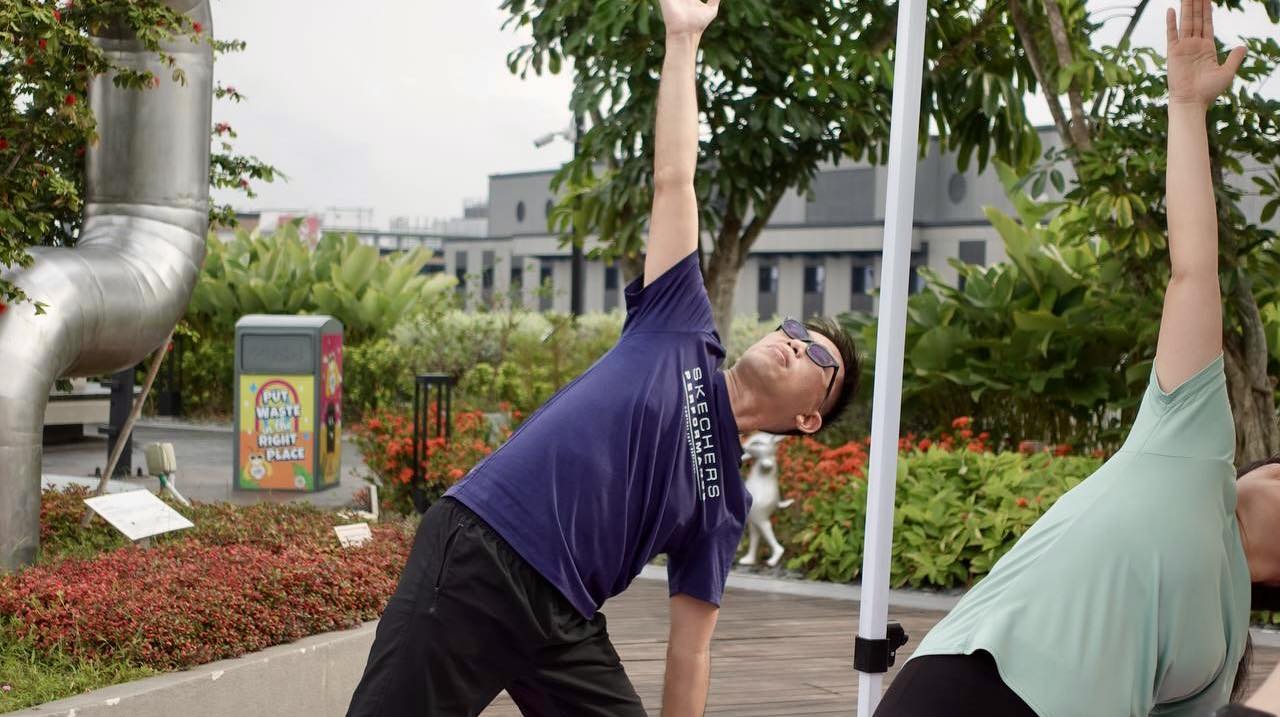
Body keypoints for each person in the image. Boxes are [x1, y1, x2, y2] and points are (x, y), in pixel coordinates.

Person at [345, 1, 861, 714]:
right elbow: (674, 180)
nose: (792, 339)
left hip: (563, 620)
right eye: (797, 327)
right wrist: (683, 39)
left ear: (809, 417)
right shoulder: (681, 324)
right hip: (480, 555)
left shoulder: (722, 505)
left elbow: (691, 649)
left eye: (816, 356)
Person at [874, 1, 1280, 715]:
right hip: (965, 686)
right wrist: (1185, 108)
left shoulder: (1219, 661)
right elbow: (1193, 270)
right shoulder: (1190, 449)